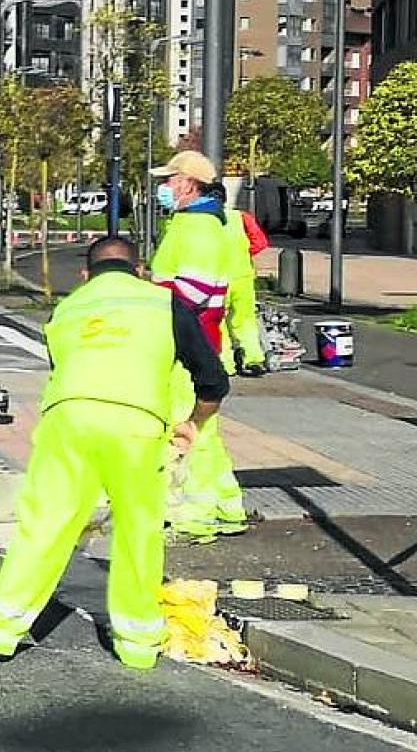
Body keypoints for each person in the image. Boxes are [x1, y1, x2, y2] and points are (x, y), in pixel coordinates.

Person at [0, 237, 230, 670]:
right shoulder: (163, 304)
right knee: (138, 530)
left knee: (44, 527)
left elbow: (66, 369)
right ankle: (137, 645)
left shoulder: (68, 310)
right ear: (139, 271)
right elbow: (213, 380)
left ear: (86, 273)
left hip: (67, 423)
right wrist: (193, 422)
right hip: (137, 427)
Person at [147, 152, 249, 541]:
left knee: (183, 428)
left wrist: (152, 304)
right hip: (198, 343)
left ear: (188, 183)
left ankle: (194, 513)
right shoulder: (197, 224)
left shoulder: (199, 229)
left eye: (170, 179)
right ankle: (225, 506)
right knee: (203, 430)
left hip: (186, 347)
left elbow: (194, 292)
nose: (165, 187)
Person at [203, 182, 268, 377]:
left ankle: (225, 363)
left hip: (216, 279)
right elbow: (260, 243)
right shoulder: (241, 217)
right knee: (245, 320)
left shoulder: (204, 221)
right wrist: (243, 253)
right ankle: (253, 359)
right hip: (242, 277)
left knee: (217, 320)